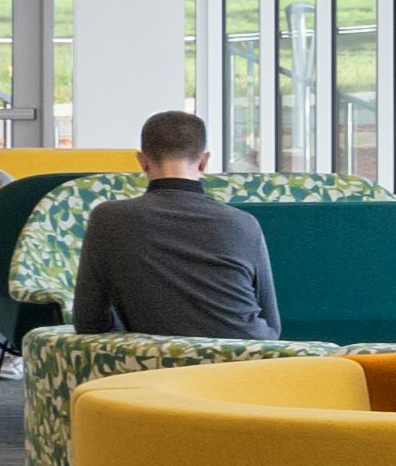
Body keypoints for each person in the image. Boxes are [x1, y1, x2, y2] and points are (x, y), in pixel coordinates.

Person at [66, 109, 280, 337]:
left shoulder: (108, 218)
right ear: (204, 161)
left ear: (142, 161)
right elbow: (272, 324)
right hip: (247, 359)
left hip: (159, 365)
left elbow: (90, 322)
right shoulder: (243, 223)